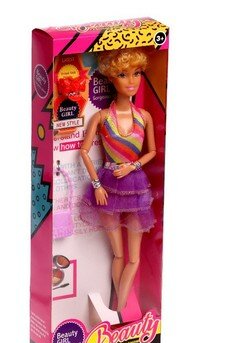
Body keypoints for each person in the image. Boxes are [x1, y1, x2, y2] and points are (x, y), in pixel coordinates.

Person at [80, 48, 157, 314]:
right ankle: (119, 309)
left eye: (137, 73)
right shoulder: (102, 117)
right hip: (109, 187)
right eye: (123, 74)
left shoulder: (144, 116)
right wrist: (97, 185)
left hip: (135, 187)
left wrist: (133, 165)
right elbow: (84, 151)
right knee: (118, 254)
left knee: (133, 258)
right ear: (112, 78)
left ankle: (120, 308)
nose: (132, 81)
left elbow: (152, 151)